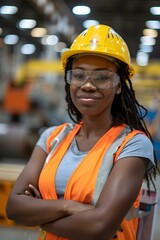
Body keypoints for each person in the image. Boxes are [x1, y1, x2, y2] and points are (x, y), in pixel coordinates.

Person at [6, 24, 159, 240]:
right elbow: (14, 208)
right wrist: (69, 206)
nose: (87, 85)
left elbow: (99, 226)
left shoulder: (132, 144)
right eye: (78, 75)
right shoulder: (52, 137)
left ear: (119, 86)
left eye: (102, 77)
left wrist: (38, 211)